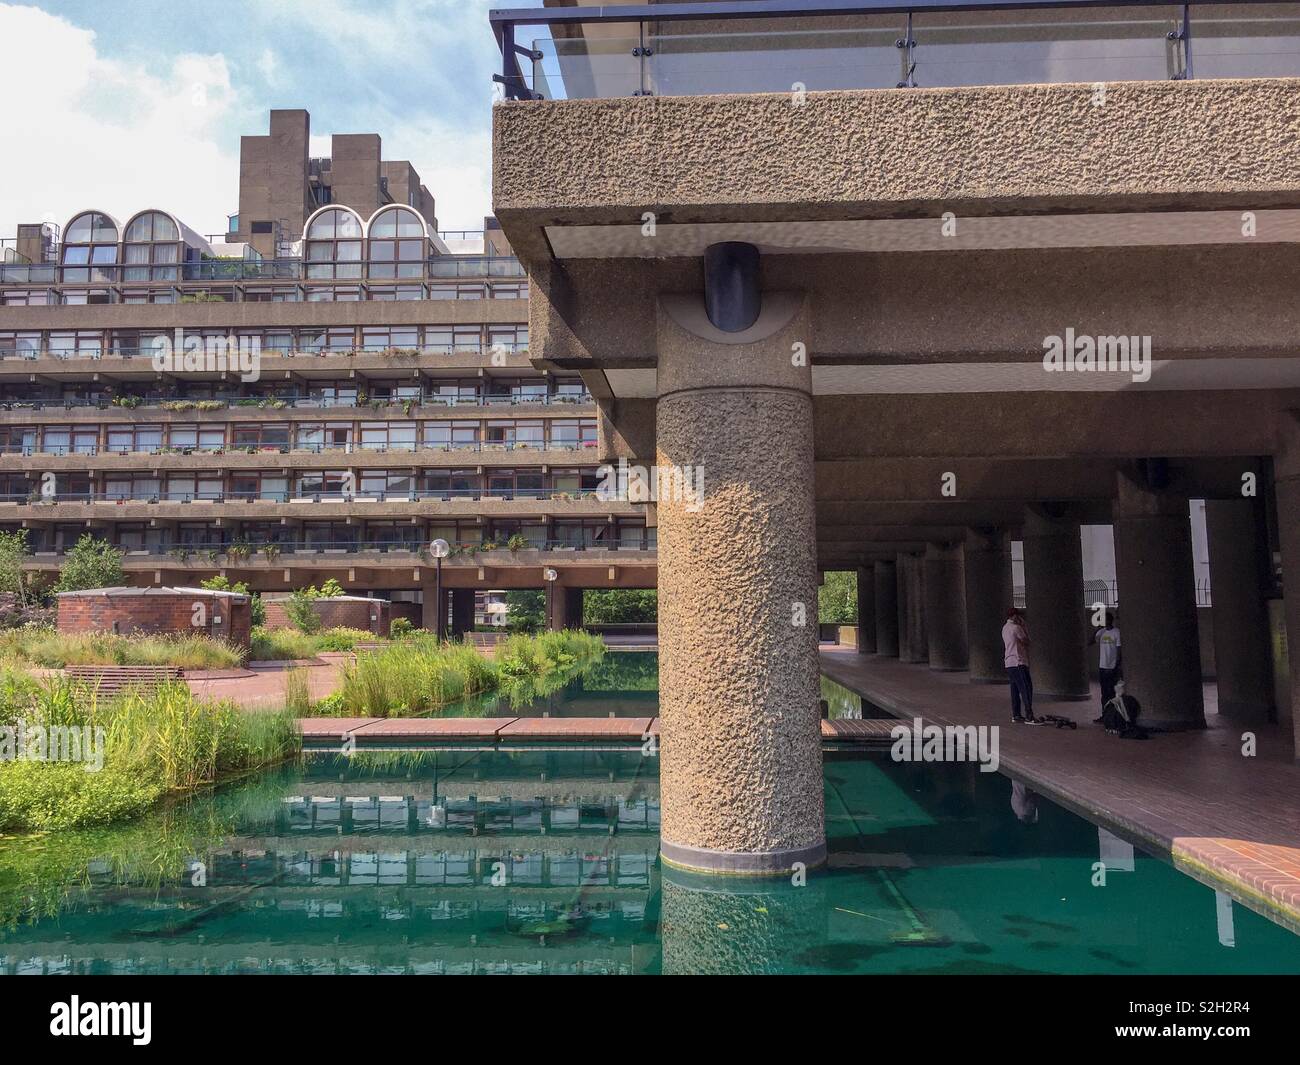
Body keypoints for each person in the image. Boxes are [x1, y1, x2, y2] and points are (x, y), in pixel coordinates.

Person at [1002, 606, 1035, 723]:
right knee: (1026, 688)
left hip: (1009, 663)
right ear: (1015, 616)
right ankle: (1029, 716)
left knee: (1015, 689)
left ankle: (1016, 715)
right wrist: (1024, 626)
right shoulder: (1017, 628)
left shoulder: (1005, 628)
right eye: (1018, 616)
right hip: (1019, 662)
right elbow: (1027, 641)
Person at [1091, 612, 1122, 723]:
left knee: (1111, 692)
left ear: (1110, 620)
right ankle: (1105, 715)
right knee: (1104, 693)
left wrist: (1116, 666)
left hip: (1111, 667)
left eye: (1105, 620)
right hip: (1102, 666)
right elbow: (1090, 642)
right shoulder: (1101, 632)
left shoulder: (1116, 632)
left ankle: (1113, 715)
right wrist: (1097, 629)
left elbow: (1119, 651)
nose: (1103, 622)